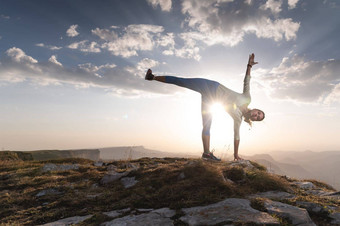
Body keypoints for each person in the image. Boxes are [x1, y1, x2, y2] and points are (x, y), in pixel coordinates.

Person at [145, 53, 265, 161]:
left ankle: (206, 154)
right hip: (211, 86)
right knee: (182, 81)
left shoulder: (238, 119)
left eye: (257, 118)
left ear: (254, 120)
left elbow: (237, 136)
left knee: (207, 125)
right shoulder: (247, 98)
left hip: (211, 101)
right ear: (256, 109)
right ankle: (152, 77)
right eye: (258, 113)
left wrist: (236, 155)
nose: (256, 115)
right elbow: (247, 81)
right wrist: (249, 66)